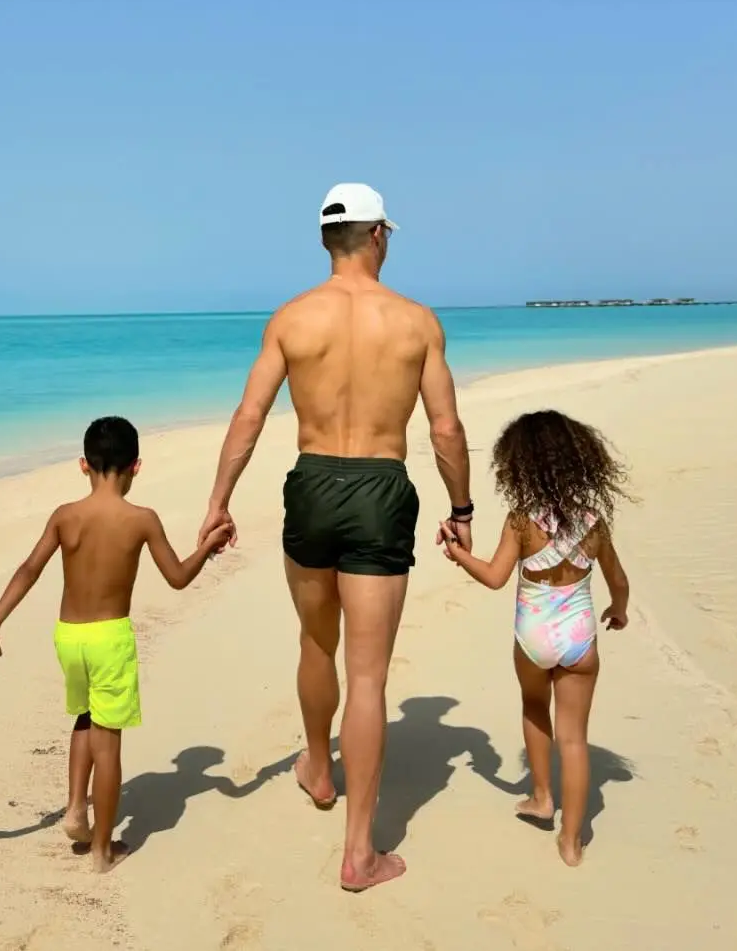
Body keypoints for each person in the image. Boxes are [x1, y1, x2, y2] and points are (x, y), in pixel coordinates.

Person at [197, 183, 473, 892]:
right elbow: (444, 427)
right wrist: (462, 506)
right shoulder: (415, 322)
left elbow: (249, 415)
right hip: (381, 488)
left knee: (316, 641)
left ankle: (318, 768)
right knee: (370, 675)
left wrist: (218, 502)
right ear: (379, 234)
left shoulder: (292, 318)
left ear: (327, 239)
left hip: (313, 482)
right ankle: (360, 852)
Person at [0, 416, 233, 873]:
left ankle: (76, 808)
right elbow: (176, 578)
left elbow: (28, 570)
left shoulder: (65, 515)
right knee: (108, 740)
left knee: (85, 716)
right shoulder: (141, 519)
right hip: (110, 637)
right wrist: (207, 547)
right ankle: (101, 850)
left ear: (82, 465)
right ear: (136, 466)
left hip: (68, 636)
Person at [436, 409, 632, 867]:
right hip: (580, 636)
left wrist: (458, 553)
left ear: (519, 465)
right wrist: (617, 610)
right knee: (575, 739)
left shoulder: (522, 521)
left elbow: (494, 577)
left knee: (532, 706)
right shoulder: (593, 522)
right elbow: (618, 581)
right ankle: (571, 840)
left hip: (533, 634)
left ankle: (542, 797)